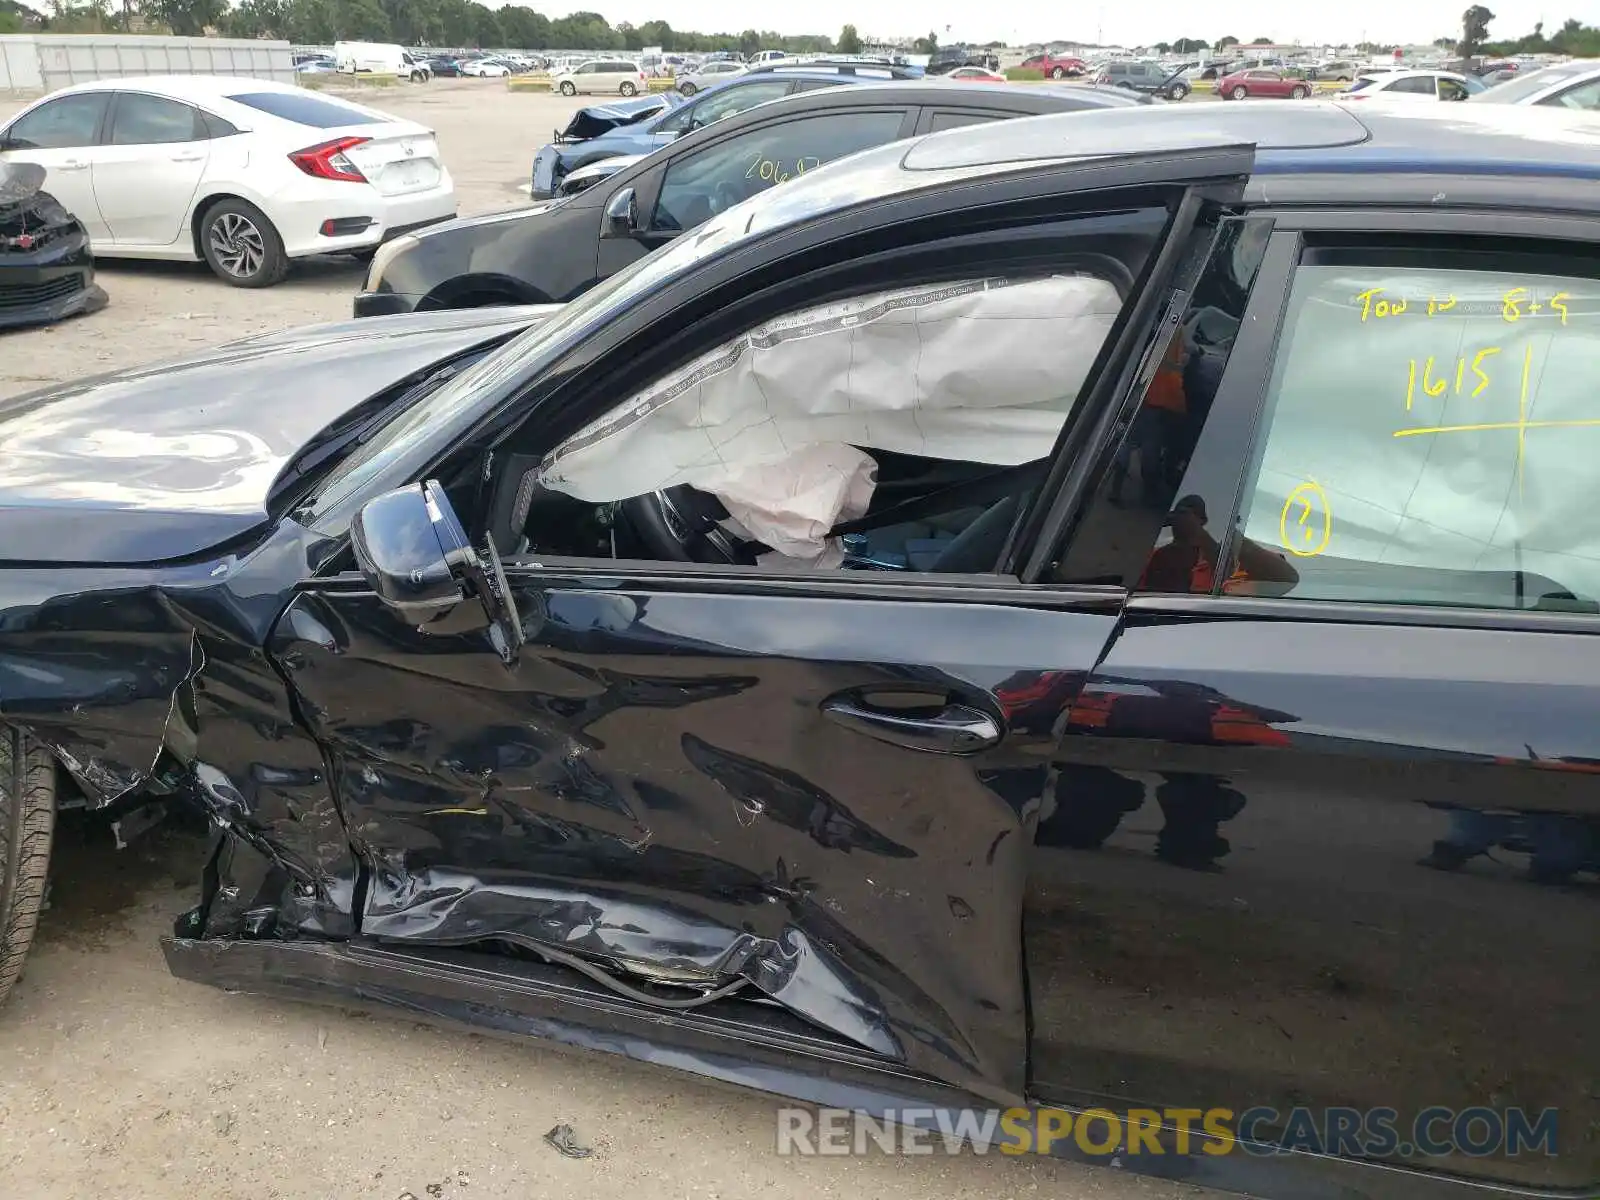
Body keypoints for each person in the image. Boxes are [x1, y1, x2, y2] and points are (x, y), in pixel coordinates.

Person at [1138, 495, 1300, 595]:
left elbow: (1286, 579)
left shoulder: (1230, 564)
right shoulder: (1151, 556)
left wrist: (1225, 537)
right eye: (1178, 515)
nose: (1182, 521)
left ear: (1203, 521)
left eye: (1187, 515)